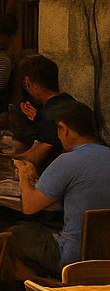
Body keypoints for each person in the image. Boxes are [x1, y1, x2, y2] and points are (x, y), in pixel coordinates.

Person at [10, 101, 110, 274]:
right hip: (105, 256)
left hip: (73, 258)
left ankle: (32, 287)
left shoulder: (68, 160)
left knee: (14, 233)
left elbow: (30, 206)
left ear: (64, 129)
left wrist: (24, 175)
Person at [13, 54, 75, 172]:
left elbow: (36, 156)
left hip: (64, 174)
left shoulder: (53, 111)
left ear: (27, 82)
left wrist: (2, 161)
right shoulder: (67, 101)